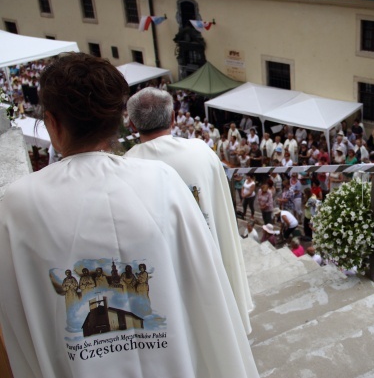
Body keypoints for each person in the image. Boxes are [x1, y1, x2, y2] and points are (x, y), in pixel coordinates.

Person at [0, 53, 258, 377]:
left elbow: (16, 325)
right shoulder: (163, 181)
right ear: (120, 120)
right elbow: (206, 292)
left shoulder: (18, 205)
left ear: (52, 122)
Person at [126, 87, 254, 335]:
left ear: (132, 125)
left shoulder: (125, 165)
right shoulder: (201, 151)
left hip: (164, 268)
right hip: (207, 254)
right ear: (174, 118)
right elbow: (221, 209)